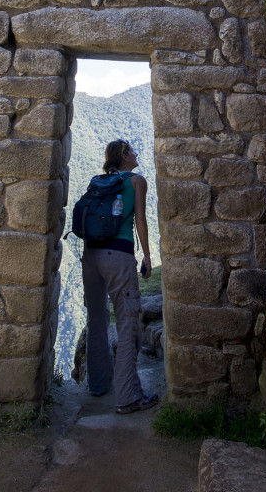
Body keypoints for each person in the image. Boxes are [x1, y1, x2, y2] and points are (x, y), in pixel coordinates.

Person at [81, 138, 159, 414]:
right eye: (133, 150)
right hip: (118, 256)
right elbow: (140, 220)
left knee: (97, 320)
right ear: (124, 156)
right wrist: (147, 256)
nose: (137, 154)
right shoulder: (136, 181)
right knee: (128, 323)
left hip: (90, 256)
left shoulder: (98, 181)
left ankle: (99, 385)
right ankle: (128, 397)